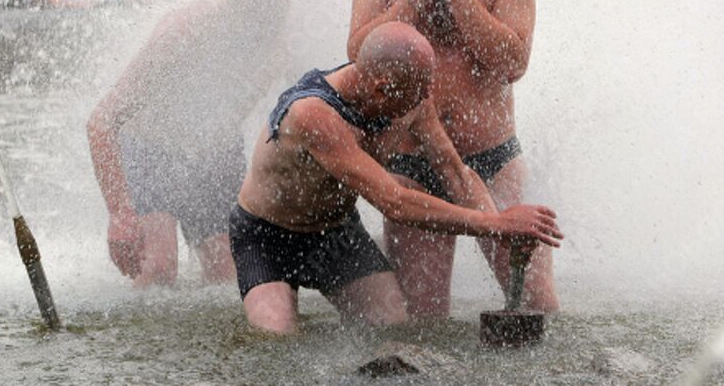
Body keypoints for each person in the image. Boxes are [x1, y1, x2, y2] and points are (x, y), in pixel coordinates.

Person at [231, 22, 562, 334]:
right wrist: (493, 224)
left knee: (392, 326)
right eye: (417, 95)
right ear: (380, 89)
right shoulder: (313, 114)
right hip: (267, 238)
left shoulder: (412, 95)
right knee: (276, 339)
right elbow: (395, 202)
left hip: (335, 234)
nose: (424, 100)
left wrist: (498, 225)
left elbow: (455, 173)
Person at [347, 0, 558, 314]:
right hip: (412, 161)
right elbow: (361, 55)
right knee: (425, 317)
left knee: (538, 304)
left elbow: (513, 63)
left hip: (492, 158)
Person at [87, 0, 290, 286]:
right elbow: (101, 122)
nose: (262, 36)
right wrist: (119, 215)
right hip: (150, 147)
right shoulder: (183, 33)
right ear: (233, 5)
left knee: (230, 277)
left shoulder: (277, 45)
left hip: (214, 156)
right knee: (159, 266)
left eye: (272, 24)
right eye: (255, 23)